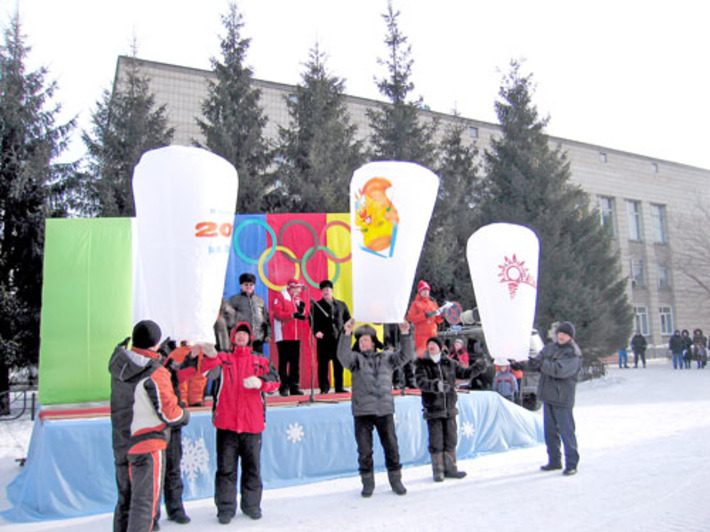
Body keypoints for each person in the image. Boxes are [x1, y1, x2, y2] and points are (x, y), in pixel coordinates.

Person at [193, 322, 280, 525]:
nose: (241, 337)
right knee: (226, 469)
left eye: (245, 334)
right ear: (232, 337)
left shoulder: (261, 359)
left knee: (252, 469)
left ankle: (251, 506)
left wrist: (261, 383)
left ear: (250, 338)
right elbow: (208, 373)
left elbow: (275, 381)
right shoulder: (223, 359)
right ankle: (225, 508)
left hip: (252, 424)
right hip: (226, 424)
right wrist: (211, 355)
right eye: (238, 333)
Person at [109, 320, 189, 532]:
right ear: (155, 344)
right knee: (145, 505)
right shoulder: (154, 371)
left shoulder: (121, 363)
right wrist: (184, 414)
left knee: (125, 501)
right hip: (146, 443)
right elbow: (170, 413)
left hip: (121, 440)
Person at [337, 318, 412, 497]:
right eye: (360, 340)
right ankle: (367, 483)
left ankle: (396, 481)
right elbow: (343, 356)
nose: (362, 343)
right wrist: (346, 333)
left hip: (384, 410)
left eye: (365, 340)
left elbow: (405, 356)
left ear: (372, 341)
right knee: (364, 450)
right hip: (363, 412)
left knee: (392, 447)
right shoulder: (355, 360)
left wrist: (405, 334)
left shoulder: (387, 358)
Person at [415, 336, 486, 481]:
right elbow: (421, 382)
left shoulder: (450, 363)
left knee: (451, 438)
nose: (431, 346)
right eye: (429, 344)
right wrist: (436, 385)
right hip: (433, 410)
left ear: (441, 347)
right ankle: (438, 471)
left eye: (434, 344)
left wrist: (479, 365)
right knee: (436, 440)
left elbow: (465, 374)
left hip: (450, 409)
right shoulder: (423, 365)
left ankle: (451, 468)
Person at [524, 321, 581, 476]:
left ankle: (571, 463)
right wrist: (520, 364)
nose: (561, 336)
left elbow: (559, 370)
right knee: (550, 433)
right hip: (548, 396)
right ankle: (554, 461)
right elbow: (537, 362)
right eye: (560, 333)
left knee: (566, 431)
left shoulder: (573, 353)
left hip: (563, 398)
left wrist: (542, 363)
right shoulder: (550, 348)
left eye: (565, 334)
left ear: (570, 337)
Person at [311, 279, 351, 394]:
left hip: (338, 340)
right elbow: (312, 321)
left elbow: (348, 320)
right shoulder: (316, 305)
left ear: (332, 291)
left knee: (338, 364)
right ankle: (324, 388)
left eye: (328, 290)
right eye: (323, 290)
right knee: (323, 365)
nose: (326, 292)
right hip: (323, 340)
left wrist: (347, 334)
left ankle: (339, 387)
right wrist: (315, 332)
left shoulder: (341, 305)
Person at [272, 278, 309, 396]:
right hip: (284, 335)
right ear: (291, 287)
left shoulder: (297, 299)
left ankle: (294, 387)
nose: (299, 290)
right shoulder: (281, 296)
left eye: (299, 288)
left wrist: (302, 311)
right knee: (283, 362)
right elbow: (278, 314)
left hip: (296, 335)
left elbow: (304, 313)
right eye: (297, 288)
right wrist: (292, 315)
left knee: (295, 363)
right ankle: (283, 387)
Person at [403, 280, 443, 388]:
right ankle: (420, 380)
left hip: (433, 335)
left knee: (434, 358)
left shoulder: (433, 303)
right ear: (420, 292)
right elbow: (411, 318)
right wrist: (425, 315)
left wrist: (441, 315)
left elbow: (438, 320)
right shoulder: (416, 304)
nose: (426, 292)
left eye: (427, 290)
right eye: (423, 290)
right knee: (422, 358)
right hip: (421, 336)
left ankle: (435, 379)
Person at [228, 273, 271, 354]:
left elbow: (266, 319)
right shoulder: (234, 300)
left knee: (258, 362)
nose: (248, 287)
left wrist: (268, 334)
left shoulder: (260, 300)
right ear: (241, 286)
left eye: (251, 284)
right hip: (242, 339)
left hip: (258, 338)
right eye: (246, 284)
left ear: (254, 286)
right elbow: (228, 319)